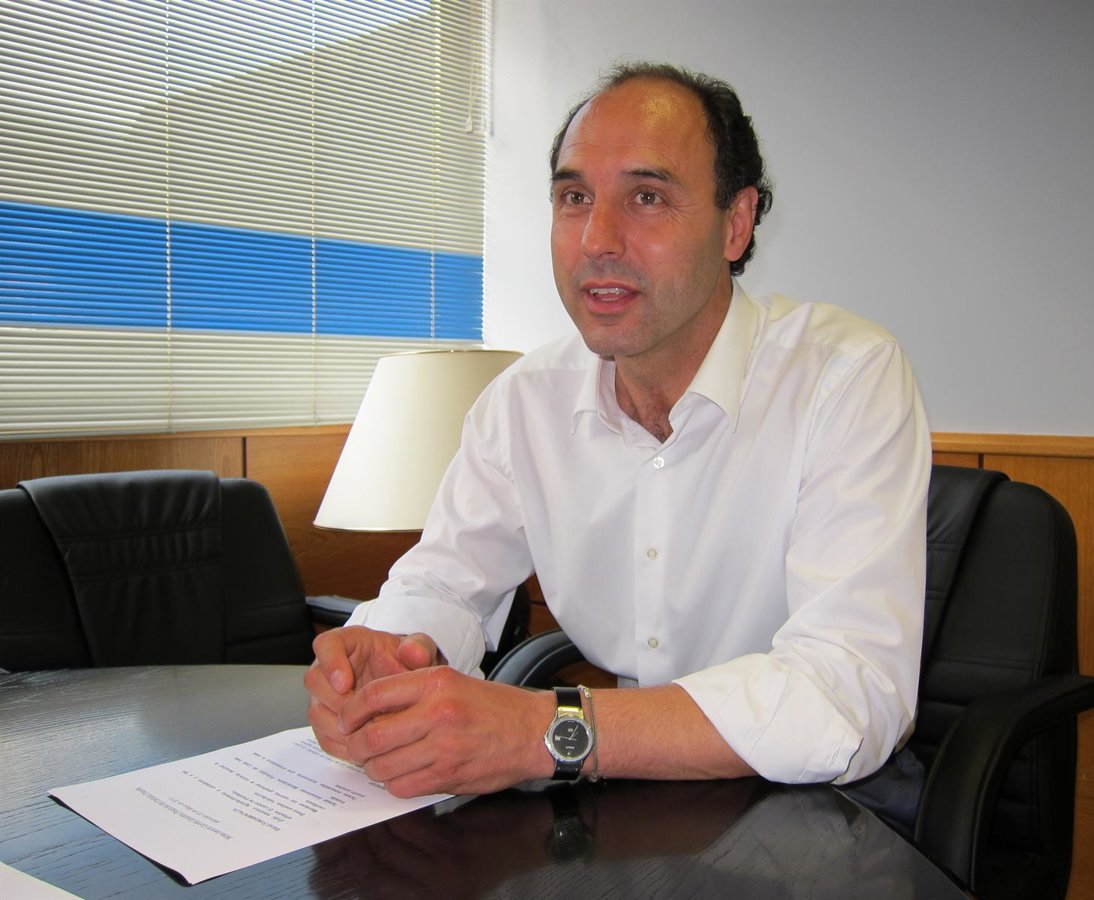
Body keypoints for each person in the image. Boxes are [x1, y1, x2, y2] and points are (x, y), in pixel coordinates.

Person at [306, 62, 930, 802]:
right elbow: (443, 581)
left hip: (818, 799)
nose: (597, 239)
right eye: (574, 198)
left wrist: (542, 730)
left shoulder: (844, 377)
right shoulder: (523, 403)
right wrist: (393, 657)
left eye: (647, 197)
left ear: (735, 223)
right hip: (621, 788)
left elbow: (849, 692)